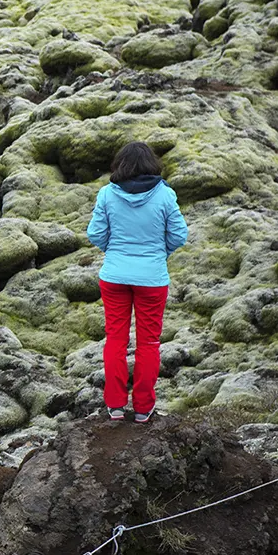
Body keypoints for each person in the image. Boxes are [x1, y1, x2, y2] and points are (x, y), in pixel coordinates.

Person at [86, 142, 188, 423]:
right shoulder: (165, 195)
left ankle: (116, 406)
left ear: (120, 165)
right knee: (149, 343)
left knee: (115, 340)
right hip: (152, 280)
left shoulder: (107, 194)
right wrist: (159, 253)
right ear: (151, 165)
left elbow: (95, 233)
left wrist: (115, 251)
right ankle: (143, 408)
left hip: (114, 277)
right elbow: (179, 235)